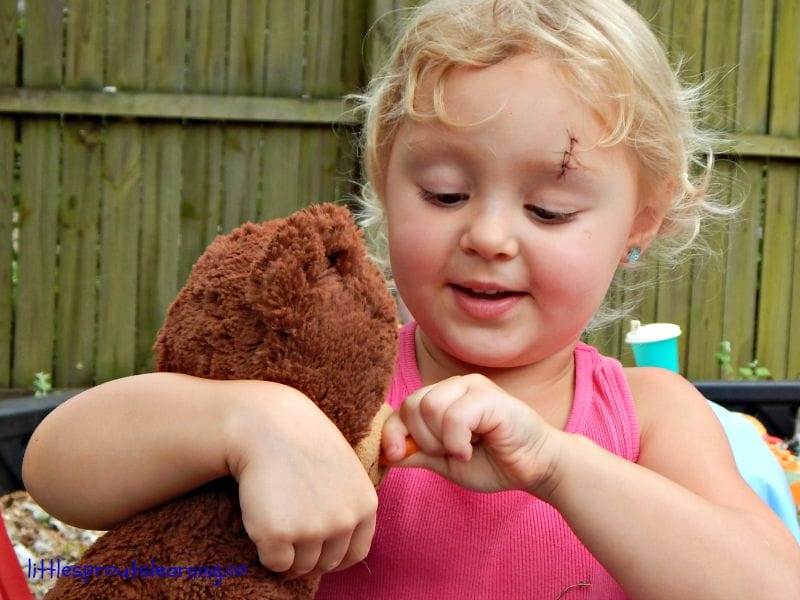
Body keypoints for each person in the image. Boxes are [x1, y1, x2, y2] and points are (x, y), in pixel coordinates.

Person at [23, 0, 800, 598]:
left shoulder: (650, 418)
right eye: (444, 193)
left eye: (548, 210)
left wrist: (555, 466)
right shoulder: (327, 386)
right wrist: (251, 420)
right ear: (384, 184)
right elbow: (55, 469)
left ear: (642, 220)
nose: (488, 236)